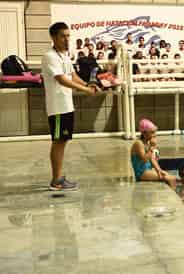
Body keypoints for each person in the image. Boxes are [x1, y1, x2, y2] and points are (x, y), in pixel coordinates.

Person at [42, 22, 100, 191]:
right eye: (63, 36)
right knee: (58, 141)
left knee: (63, 141)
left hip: (67, 106)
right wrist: (84, 90)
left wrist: (89, 85)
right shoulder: (50, 56)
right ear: (54, 37)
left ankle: (59, 177)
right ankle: (56, 180)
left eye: (68, 36)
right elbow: (61, 79)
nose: (67, 39)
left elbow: (72, 75)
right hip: (58, 107)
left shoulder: (64, 55)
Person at [130, 119, 177, 189]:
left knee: (173, 178)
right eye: (152, 132)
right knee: (170, 179)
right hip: (141, 173)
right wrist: (151, 147)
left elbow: (152, 159)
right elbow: (145, 159)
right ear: (144, 133)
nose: (154, 135)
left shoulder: (147, 142)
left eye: (154, 132)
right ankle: (174, 199)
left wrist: (159, 170)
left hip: (148, 170)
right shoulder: (138, 143)